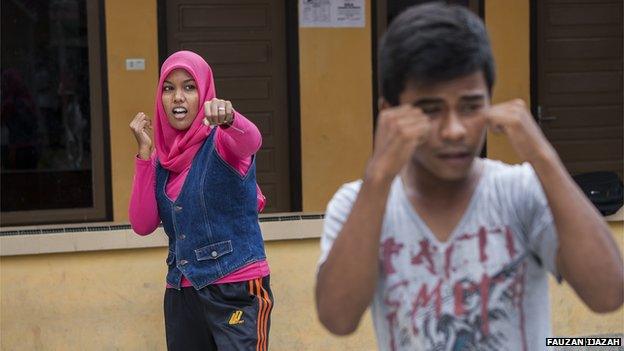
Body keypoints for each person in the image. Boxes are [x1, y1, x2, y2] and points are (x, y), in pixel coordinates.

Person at [315, 4, 623, 351]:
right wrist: (378, 178)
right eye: (430, 110)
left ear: (491, 102)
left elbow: (608, 295)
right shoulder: (359, 203)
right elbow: (337, 319)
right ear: (390, 114)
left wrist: (545, 159)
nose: (454, 130)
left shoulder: (520, 190)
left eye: (470, 106)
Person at [129, 50, 273, 351]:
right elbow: (142, 224)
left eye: (189, 87)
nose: (178, 97)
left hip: (236, 288)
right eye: (168, 88)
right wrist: (144, 154)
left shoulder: (223, 140)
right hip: (182, 294)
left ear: (205, 93)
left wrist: (231, 119)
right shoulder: (161, 161)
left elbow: (253, 141)